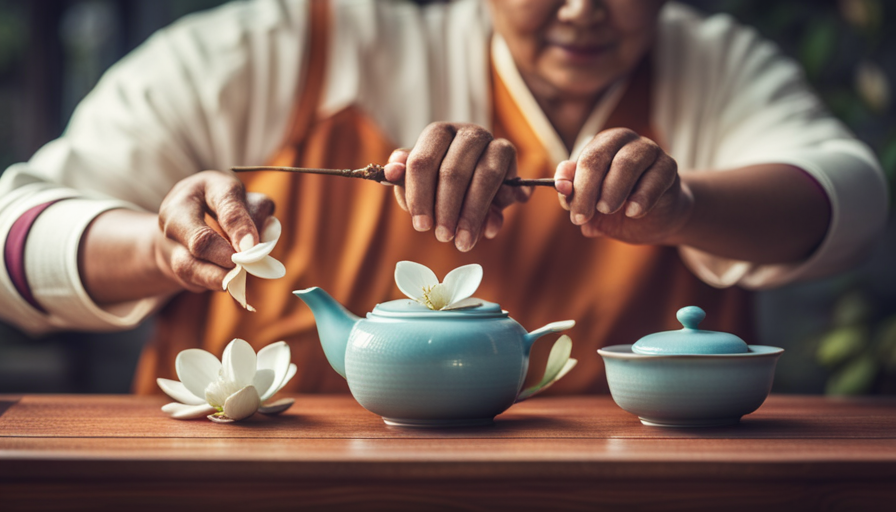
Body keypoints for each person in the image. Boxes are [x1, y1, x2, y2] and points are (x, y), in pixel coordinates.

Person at [0, 0, 887, 394]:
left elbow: (849, 201)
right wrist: (159, 251)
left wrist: (684, 206)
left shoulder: (712, 65)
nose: (583, 11)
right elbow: (15, 235)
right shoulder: (273, 47)